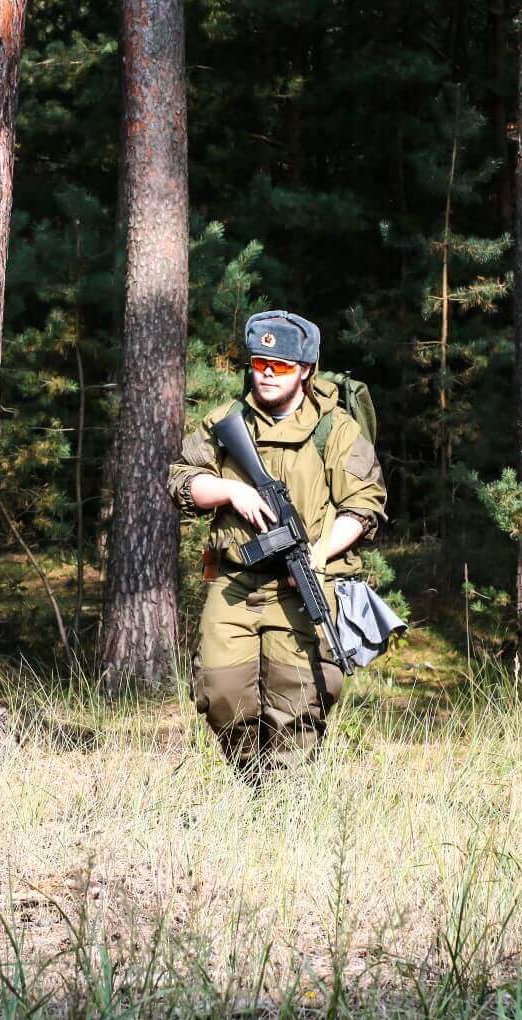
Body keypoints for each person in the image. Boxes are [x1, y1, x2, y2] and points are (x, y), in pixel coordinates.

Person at [169, 310, 386, 780]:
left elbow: (363, 508)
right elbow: (183, 479)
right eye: (260, 363)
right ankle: (252, 781)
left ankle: (284, 803)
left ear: (305, 369)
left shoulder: (335, 428)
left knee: (298, 701)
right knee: (222, 693)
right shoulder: (226, 421)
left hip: (300, 583)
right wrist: (233, 491)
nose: (267, 373)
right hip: (236, 582)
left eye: (281, 365)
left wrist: (318, 552)